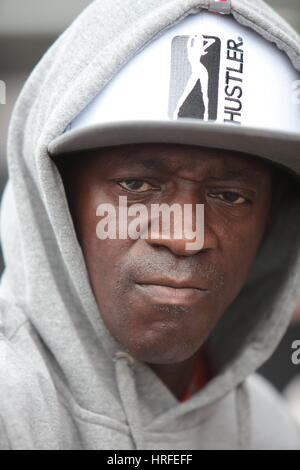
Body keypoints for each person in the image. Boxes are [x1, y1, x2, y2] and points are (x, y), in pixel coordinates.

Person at [0, 0, 300, 450]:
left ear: (273, 226)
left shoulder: (269, 428)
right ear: (57, 201)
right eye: (137, 184)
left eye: (230, 196)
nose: (184, 236)